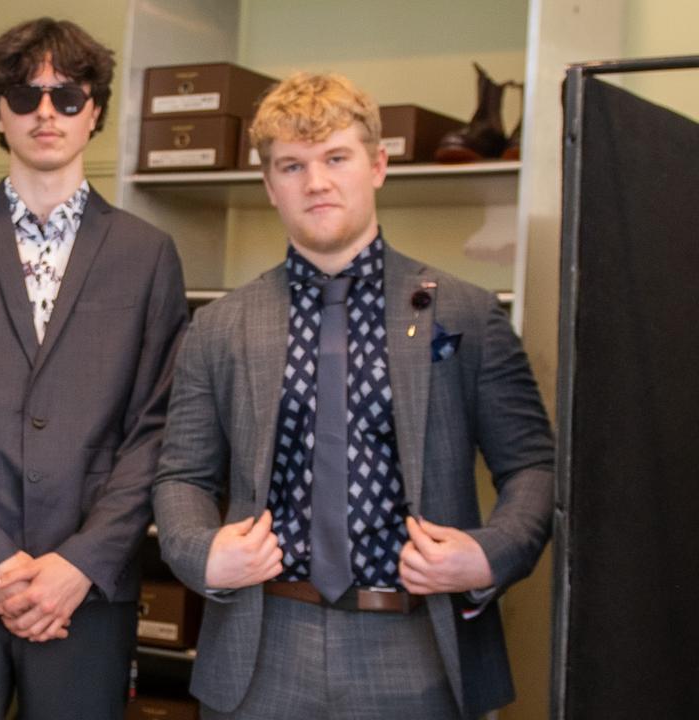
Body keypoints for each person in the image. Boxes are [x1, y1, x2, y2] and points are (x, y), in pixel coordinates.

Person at [153, 72, 553, 719]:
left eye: (336, 158)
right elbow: (181, 475)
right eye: (292, 165)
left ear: (379, 165)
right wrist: (201, 551)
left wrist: (488, 555)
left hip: (418, 642)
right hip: (263, 647)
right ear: (269, 184)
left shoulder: (468, 314)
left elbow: (532, 465)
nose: (316, 182)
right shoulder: (220, 325)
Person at [0, 17, 188, 720]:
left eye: (66, 94)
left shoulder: (148, 254)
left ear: (94, 110)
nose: (46, 112)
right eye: (25, 96)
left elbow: (159, 428)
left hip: (86, 589)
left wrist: (81, 563)